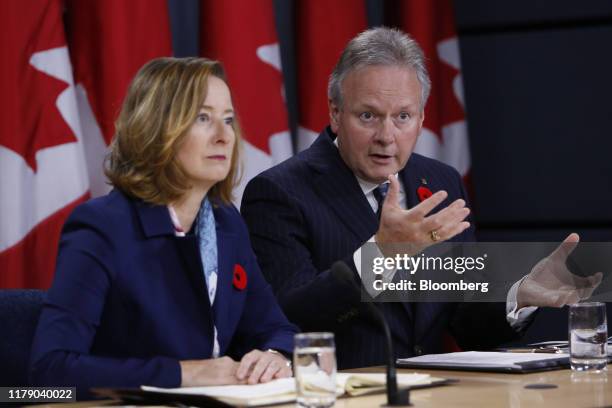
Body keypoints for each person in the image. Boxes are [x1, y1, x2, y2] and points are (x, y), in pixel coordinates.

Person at [241, 27, 600, 369]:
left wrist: (519, 296)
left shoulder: (441, 183)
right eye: (368, 116)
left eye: (403, 117)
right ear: (336, 113)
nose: (387, 136)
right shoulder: (279, 193)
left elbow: (465, 322)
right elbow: (286, 320)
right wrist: (379, 256)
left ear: (421, 117)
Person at [29, 58, 297, 397]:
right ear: (156, 129)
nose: (224, 136)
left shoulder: (225, 221)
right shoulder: (103, 226)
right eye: (203, 118)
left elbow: (277, 327)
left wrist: (276, 356)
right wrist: (185, 374)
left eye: (228, 120)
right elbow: (50, 371)